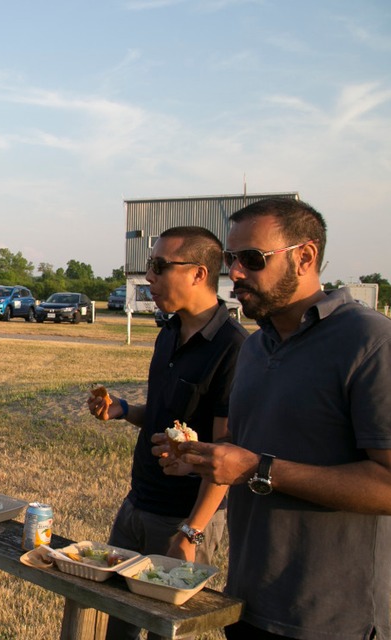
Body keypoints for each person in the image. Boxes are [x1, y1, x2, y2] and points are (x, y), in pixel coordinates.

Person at [157, 198, 391, 639]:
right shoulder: (255, 347)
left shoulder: (370, 341)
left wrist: (258, 469)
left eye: (252, 259)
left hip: (332, 621)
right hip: (247, 605)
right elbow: (243, 451)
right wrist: (201, 460)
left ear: (305, 257)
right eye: (232, 259)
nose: (235, 273)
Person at [87, 226, 248, 640]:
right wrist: (125, 411)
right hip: (137, 504)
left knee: (166, 629)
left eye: (159, 266)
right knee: (117, 620)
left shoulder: (233, 348)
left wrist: (191, 532)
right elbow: (166, 420)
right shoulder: (169, 333)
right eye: (149, 265)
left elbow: (225, 454)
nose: (149, 277)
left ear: (198, 273)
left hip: (182, 520)